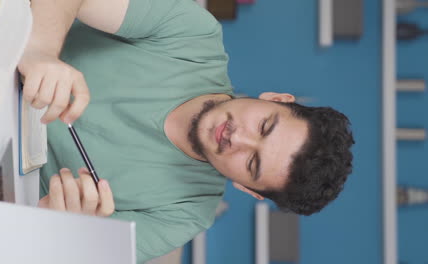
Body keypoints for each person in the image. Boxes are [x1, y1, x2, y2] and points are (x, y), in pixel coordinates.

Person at [18, 0, 355, 262]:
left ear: (248, 189)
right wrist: (41, 51)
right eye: (265, 125)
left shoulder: (185, 216)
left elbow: (52, 253)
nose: (237, 138)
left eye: (253, 163)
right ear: (276, 99)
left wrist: (61, 227)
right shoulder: (193, 34)